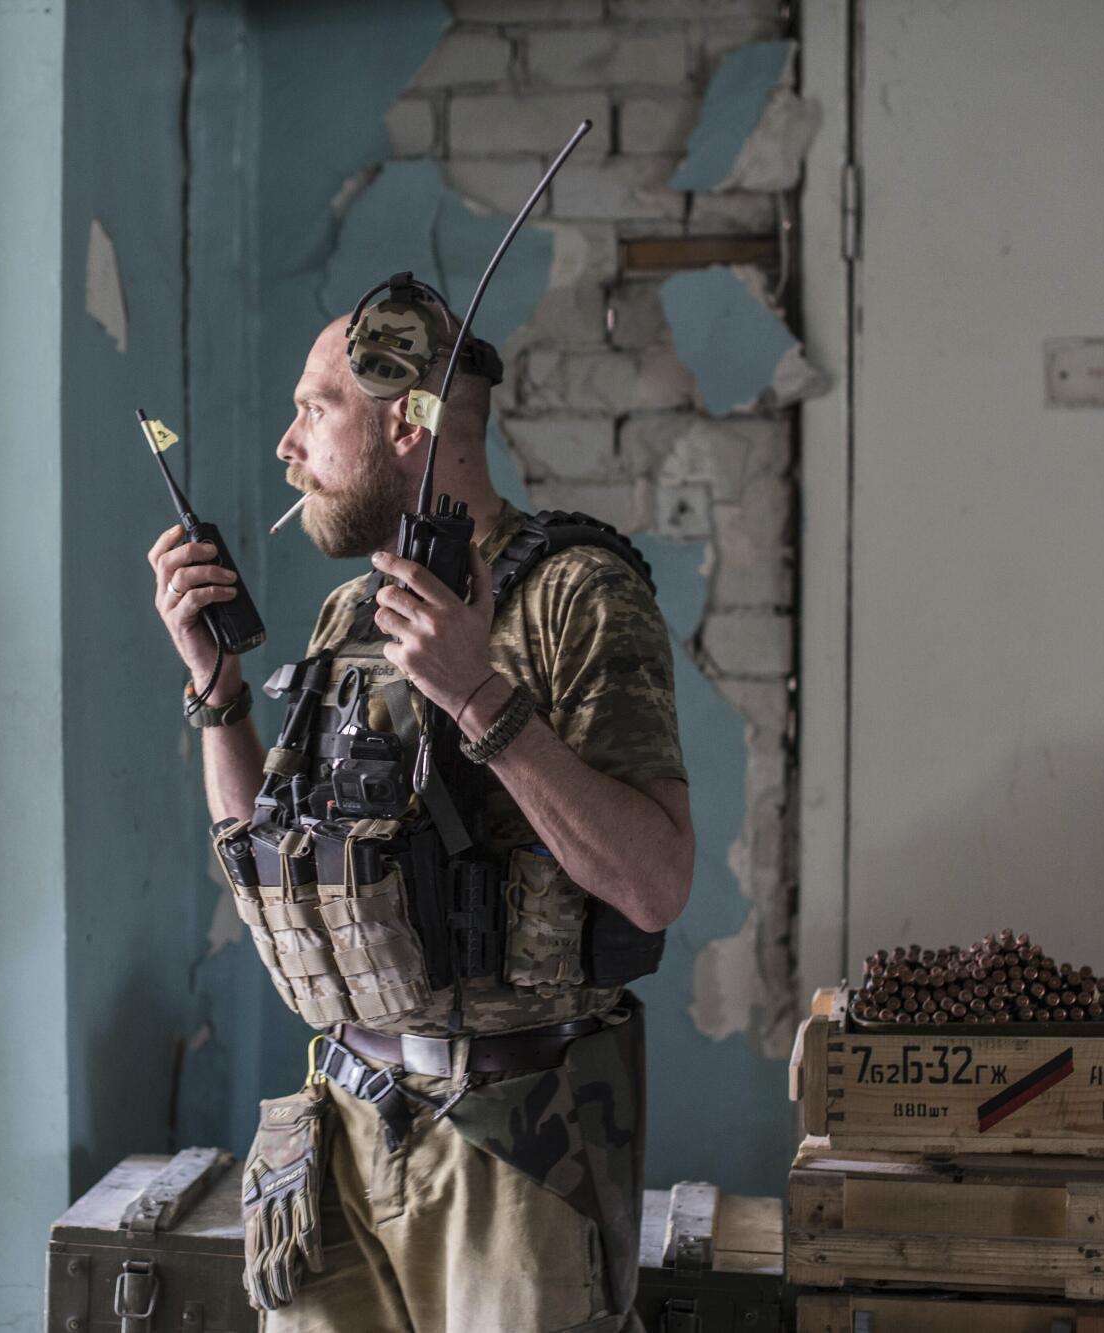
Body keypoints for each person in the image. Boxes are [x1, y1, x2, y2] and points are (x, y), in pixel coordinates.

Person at [146, 304, 694, 1333]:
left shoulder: (579, 595)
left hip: (515, 1150)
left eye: (316, 408)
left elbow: (655, 883)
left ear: (407, 427)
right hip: (342, 1129)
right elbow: (273, 862)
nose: (287, 443)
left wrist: (476, 694)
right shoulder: (348, 615)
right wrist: (216, 694)